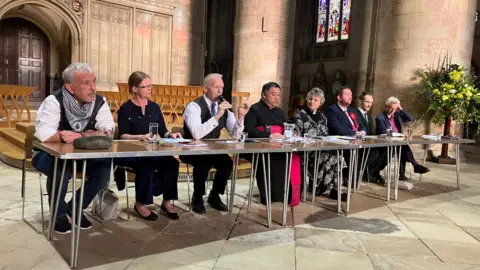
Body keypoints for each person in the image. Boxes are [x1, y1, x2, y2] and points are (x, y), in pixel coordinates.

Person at [32, 63, 114, 234]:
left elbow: (108, 132)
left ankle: (75, 207)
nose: (93, 88)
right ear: (70, 87)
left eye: (94, 82)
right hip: (47, 155)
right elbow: (45, 135)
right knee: (61, 167)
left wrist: (80, 136)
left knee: (104, 168)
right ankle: (59, 214)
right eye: (86, 83)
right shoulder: (54, 101)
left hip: (83, 156)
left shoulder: (100, 102)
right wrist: (91, 133)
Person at [115, 71, 182, 221]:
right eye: (146, 86)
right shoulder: (126, 109)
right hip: (133, 152)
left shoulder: (155, 107)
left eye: (151, 86)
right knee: (147, 164)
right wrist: (140, 137)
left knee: (172, 163)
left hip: (153, 151)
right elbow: (123, 135)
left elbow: (163, 131)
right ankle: (140, 204)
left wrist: (171, 135)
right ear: (134, 89)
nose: (150, 89)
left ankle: (166, 201)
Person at [180, 73, 248, 214]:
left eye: (222, 88)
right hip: (191, 150)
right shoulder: (194, 107)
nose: (220, 91)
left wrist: (241, 117)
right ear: (205, 88)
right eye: (216, 87)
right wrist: (217, 115)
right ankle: (197, 196)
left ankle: (214, 195)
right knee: (203, 162)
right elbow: (196, 134)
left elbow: (235, 134)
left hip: (212, 150)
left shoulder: (225, 109)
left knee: (227, 163)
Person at [244, 82, 302, 205]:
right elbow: (248, 130)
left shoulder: (279, 112)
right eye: (273, 94)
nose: (276, 98)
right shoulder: (254, 110)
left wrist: (290, 135)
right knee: (268, 160)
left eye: (278, 95)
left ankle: (286, 195)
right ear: (264, 95)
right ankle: (269, 196)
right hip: (261, 147)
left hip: (279, 146)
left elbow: (285, 128)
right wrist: (268, 135)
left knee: (291, 157)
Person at [326, 86, 385, 185]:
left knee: (375, 151)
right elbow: (336, 129)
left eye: (351, 95)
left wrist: (363, 131)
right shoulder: (332, 110)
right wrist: (355, 134)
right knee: (358, 153)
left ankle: (352, 174)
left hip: (358, 140)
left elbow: (361, 125)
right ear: (339, 97)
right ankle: (352, 175)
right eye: (347, 94)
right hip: (343, 142)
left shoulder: (351, 110)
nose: (350, 96)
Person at [293, 88, 345, 201]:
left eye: (315, 100)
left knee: (338, 157)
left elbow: (325, 135)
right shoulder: (300, 115)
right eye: (310, 99)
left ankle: (334, 189)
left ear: (320, 103)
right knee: (331, 158)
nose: (312, 102)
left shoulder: (322, 117)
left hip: (321, 149)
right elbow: (296, 136)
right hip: (307, 152)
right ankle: (321, 187)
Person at [376, 97, 430, 180]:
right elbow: (384, 133)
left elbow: (410, 118)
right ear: (386, 106)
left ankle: (408, 170)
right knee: (402, 146)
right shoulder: (380, 118)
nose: (392, 111)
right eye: (391, 108)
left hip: (398, 142)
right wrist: (398, 135)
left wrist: (400, 108)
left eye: (394, 109)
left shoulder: (397, 115)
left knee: (402, 146)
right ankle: (414, 166)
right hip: (387, 143)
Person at [353, 92, 386, 183]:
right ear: (360, 101)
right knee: (374, 153)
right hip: (359, 142)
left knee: (386, 151)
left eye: (371, 102)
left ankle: (371, 172)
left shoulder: (369, 116)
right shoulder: (354, 113)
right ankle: (367, 173)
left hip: (369, 142)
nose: (369, 105)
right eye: (367, 102)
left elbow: (371, 132)